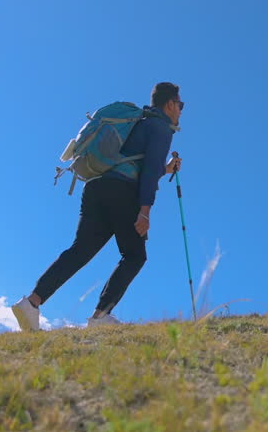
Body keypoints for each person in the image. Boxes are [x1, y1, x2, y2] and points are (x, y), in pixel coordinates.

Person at [12, 82, 184, 330]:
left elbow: (139, 165)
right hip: (122, 192)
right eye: (181, 105)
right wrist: (145, 211)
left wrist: (165, 169)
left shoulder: (140, 122)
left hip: (96, 187)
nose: (180, 110)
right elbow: (145, 175)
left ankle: (31, 303)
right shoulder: (161, 128)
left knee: (81, 250)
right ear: (170, 104)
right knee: (135, 255)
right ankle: (101, 316)